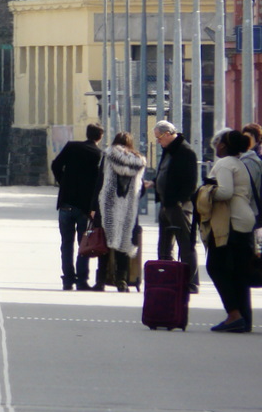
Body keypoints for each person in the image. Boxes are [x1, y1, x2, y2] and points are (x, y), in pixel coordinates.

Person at [202, 129, 254, 332]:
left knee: (216, 266)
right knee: (239, 272)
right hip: (244, 220)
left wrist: (205, 191)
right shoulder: (239, 163)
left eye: (217, 143)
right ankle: (243, 318)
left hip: (229, 222)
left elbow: (225, 192)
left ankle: (233, 314)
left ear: (222, 145)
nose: (215, 146)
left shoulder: (224, 164)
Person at [51, 123, 104, 290]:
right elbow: (99, 183)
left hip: (66, 204)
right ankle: (81, 280)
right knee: (84, 244)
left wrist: (63, 182)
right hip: (85, 207)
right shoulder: (99, 155)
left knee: (66, 243)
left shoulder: (71, 147)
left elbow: (55, 165)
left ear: (86, 134)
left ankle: (67, 279)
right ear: (100, 137)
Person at [152, 120, 200, 292]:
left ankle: (191, 282)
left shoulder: (185, 152)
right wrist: (154, 183)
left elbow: (190, 182)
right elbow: (165, 174)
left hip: (178, 205)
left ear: (167, 134)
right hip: (166, 204)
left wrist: (179, 201)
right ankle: (167, 278)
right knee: (164, 245)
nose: (158, 142)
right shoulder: (169, 151)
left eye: (159, 138)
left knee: (185, 244)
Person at [95, 132, 146, 292]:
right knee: (123, 244)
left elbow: (100, 180)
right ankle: (121, 281)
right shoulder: (138, 161)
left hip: (108, 205)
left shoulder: (108, 155)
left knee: (104, 243)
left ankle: (101, 281)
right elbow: (140, 188)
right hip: (128, 208)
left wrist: (92, 207)